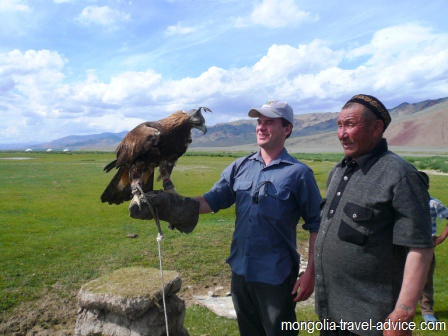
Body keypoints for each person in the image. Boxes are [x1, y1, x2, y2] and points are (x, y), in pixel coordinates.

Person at [132, 100, 322, 336]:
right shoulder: (239, 167)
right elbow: (211, 201)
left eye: (269, 122)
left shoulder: (299, 173)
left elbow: (317, 225)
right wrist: (169, 206)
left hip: (277, 275)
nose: (261, 127)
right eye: (259, 122)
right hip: (240, 272)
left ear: (287, 129)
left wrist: (311, 273)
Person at [314, 94, 434, 336]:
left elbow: (420, 248)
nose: (341, 134)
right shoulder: (339, 170)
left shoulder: (400, 175)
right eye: (339, 125)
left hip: (372, 321)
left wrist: (404, 311)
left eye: (350, 124)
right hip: (330, 313)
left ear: (376, 128)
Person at [418, 171, 448, 324]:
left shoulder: (434, 204)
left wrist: (441, 237)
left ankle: (427, 311)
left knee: (425, 279)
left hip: (426, 246)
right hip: (403, 245)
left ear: (427, 186)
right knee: (398, 277)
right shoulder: (404, 204)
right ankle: (397, 308)